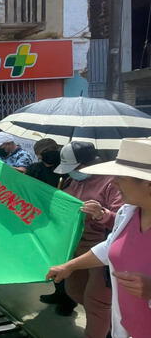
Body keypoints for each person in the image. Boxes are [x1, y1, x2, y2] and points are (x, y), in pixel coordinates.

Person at [47, 138, 151, 338]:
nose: (113, 181)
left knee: (96, 301)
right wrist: (69, 266)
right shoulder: (127, 213)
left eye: (121, 177)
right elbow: (109, 246)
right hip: (130, 326)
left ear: (147, 184)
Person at [48, 141, 124, 331]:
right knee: (73, 290)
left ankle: (100, 328)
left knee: (96, 302)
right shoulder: (73, 180)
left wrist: (101, 214)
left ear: (90, 163)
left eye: (75, 168)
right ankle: (108, 323)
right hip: (76, 247)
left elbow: (124, 222)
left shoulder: (111, 182)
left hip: (101, 251)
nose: (72, 172)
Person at [25, 139, 74, 312]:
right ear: (38, 154)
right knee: (51, 258)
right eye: (46, 151)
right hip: (41, 219)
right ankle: (58, 292)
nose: (50, 153)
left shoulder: (67, 170)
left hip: (62, 221)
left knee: (64, 258)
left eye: (53, 150)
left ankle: (69, 299)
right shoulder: (35, 169)